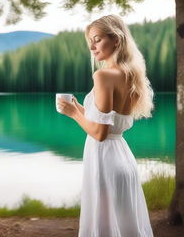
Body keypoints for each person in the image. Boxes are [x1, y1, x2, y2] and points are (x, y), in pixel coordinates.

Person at [57, 14, 155, 236]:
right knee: (126, 224)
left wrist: (73, 113)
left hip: (104, 160)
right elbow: (111, 124)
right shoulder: (130, 73)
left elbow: (100, 133)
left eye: (98, 39)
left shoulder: (103, 76)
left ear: (116, 40)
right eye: (90, 40)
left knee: (104, 227)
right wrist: (81, 108)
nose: (92, 46)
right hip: (122, 157)